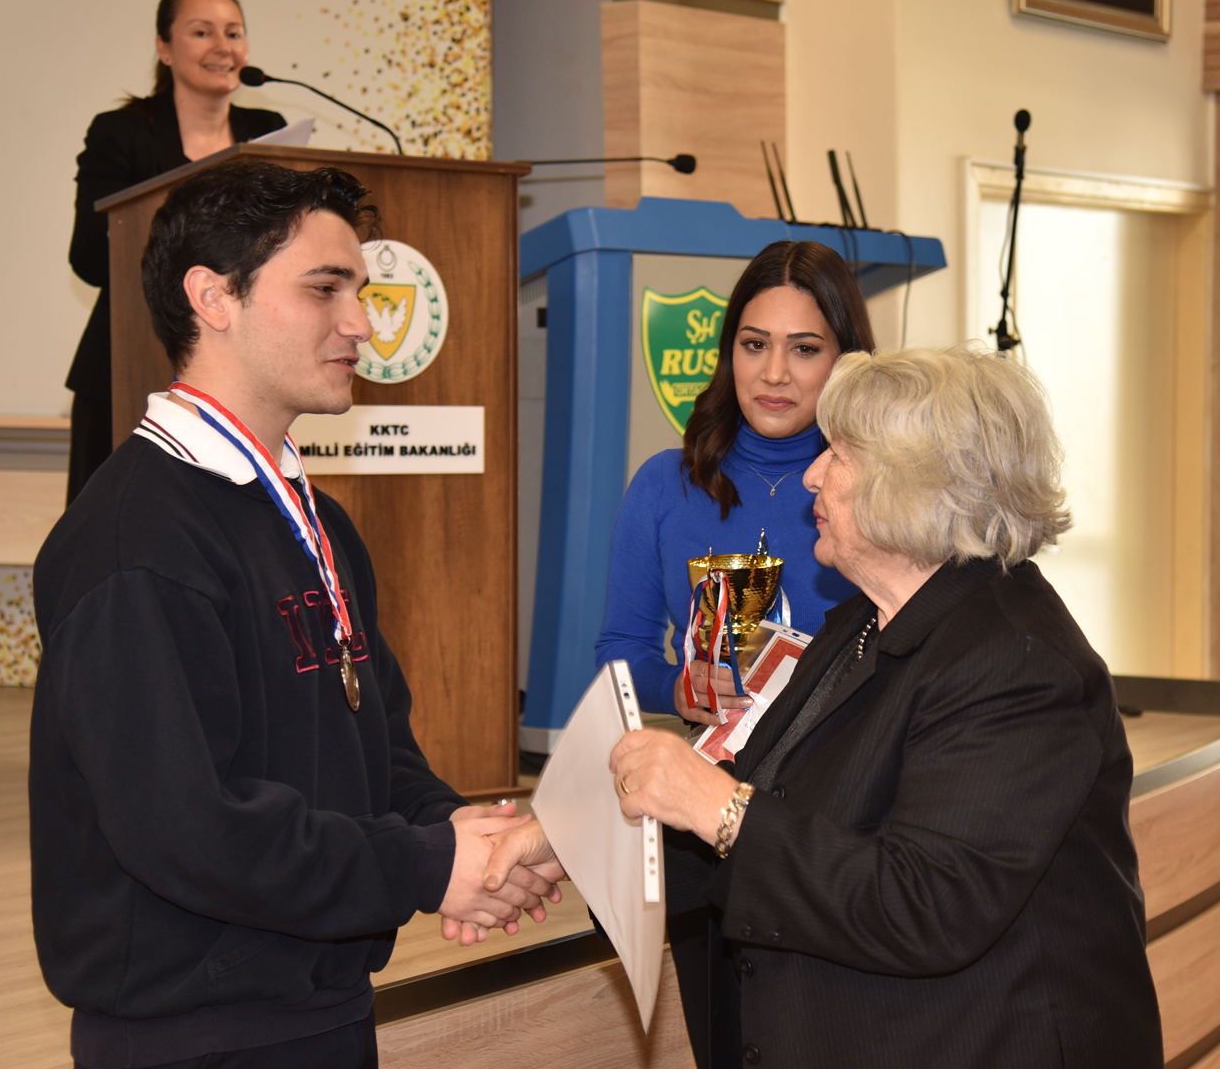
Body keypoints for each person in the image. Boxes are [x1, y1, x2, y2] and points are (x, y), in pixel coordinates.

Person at [31, 159, 562, 1069]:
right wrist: (425, 865)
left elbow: (375, 748)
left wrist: (467, 837)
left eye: (361, 292)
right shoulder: (135, 544)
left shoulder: (317, 522)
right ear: (214, 298)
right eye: (325, 289)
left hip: (320, 1004)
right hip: (195, 1033)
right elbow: (187, 828)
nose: (362, 324)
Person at [498, 345, 1163, 1067]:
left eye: (839, 454)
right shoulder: (859, 624)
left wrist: (717, 805)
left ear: (915, 484)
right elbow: (777, 809)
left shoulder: (1016, 663)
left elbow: (926, 905)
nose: (812, 473)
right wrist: (577, 838)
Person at [595, 240, 874, 727]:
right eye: (755, 345)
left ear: (845, 359)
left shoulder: (884, 489)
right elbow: (620, 651)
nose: (774, 373)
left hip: (853, 759)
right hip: (710, 760)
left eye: (804, 349)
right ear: (730, 352)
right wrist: (677, 687)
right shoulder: (663, 484)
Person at [65, 0, 287, 502]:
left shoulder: (268, 131)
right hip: (126, 365)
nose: (222, 47)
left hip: (243, 372)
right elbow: (90, 256)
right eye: (202, 32)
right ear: (164, 48)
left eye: (234, 33)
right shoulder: (122, 133)